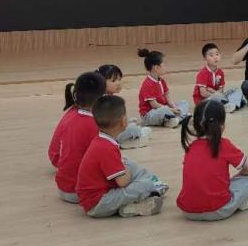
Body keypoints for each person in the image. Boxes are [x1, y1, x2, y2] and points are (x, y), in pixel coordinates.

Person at [75, 95, 167, 218]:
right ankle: (147, 190)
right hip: (98, 204)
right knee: (144, 185)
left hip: (96, 199)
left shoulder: (101, 140)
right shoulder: (107, 148)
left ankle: (132, 204)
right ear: (123, 121)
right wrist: (126, 171)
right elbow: (122, 182)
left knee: (128, 164)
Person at [176, 99, 248, 221]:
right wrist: (239, 176)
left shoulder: (191, 147)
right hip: (218, 210)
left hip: (188, 211)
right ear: (222, 125)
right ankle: (242, 203)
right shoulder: (223, 145)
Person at [54, 71, 108, 203]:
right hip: (80, 191)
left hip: (63, 188)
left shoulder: (70, 114)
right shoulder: (94, 125)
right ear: (101, 98)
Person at [97, 64, 152, 148]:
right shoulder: (103, 100)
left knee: (131, 123)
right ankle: (137, 136)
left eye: (119, 79)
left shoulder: (108, 97)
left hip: (109, 132)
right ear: (102, 82)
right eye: (113, 81)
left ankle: (132, 138)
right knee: (133, 128)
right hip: (107, 135)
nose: (118, 83)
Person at [137, 48, 189, 127]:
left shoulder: (161, 80)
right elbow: (154, 105)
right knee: (164, 110)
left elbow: (166, 93)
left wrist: (172, 105)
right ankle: (180, 117)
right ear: (156, 67)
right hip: (150, 114)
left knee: (184, 102)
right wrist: (170, 110)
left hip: (164, 108)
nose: (166, 67)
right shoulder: (148, 84)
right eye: (164, 64)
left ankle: (174, 119)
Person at [193, 43, 244, 112]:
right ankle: (229, 104)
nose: (215, 57)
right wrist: (217, 96)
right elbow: (203, 93)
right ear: (205, 58)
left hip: (216, 96)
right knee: (217, 99)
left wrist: (213, 91)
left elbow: (221, 90)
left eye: (217, 54)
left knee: (236, 90)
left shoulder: (220, 72)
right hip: (204, 101)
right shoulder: (202, 73)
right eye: (211, 55)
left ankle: (229, 105)